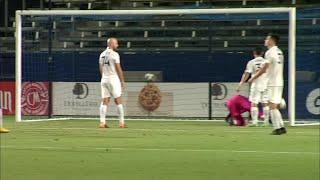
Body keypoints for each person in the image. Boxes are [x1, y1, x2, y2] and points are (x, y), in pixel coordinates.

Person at [248, 34, 286, 135]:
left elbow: (264, 68)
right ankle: (281, 126)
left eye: (267, 39)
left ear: (272, 41)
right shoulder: (279, 51)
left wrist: (253, 77)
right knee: (274, 105)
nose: (265, 40)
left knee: (272, 106)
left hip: (272, 82)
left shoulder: (270, 52)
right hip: (279, 81)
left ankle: (277, 128)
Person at [237, 47, 269, 126]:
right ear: (262, 53)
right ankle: (266, 121)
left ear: (254, 53)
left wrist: (241, 83)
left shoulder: (251, 62)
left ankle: (255, 122)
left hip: (256, 84)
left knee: (254, 103)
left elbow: (247, 73)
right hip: (265, 83)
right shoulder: (266, 61)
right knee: (265, 103)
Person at [98, 38, 126, 128]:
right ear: (111, 44)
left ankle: (102, 122)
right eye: (116, 43)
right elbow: (118, 68)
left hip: (104, 79)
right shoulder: (115, 54)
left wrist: (103, 77)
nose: (117, 45)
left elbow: (101, 68)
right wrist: (122, 81)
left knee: (104, 100)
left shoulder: (102, 54)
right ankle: (121, 123)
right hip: (113, 79)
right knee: (118, 100)